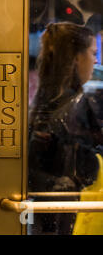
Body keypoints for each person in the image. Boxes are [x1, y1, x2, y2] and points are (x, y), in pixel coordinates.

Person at [28, 22, 103, 235]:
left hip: (46, 217)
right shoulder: (79, 106)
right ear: (76, 58)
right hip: (71, 217)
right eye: (92, 53)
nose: (95, 60)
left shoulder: (46, 102)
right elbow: (87, 171)